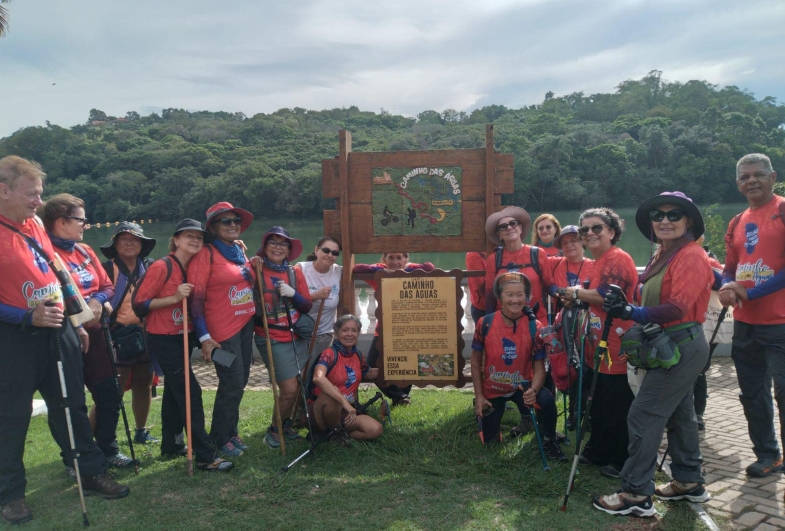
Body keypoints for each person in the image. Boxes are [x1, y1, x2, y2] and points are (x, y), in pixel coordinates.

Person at [0, 156, 128, 525]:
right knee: (11, 417)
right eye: (31, 194)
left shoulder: (36, 223)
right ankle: (10, 494)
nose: (39, 201)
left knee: (71, 404)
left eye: (40, 193)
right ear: (4, 191)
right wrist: (27, 316)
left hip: (59, 330)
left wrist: (77, 323)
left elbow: (57, 276)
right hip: (14, 340)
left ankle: (89, 472)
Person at [592, 192, 713, 517]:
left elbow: (676, 307)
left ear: (688, 221)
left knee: (643, 414)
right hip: (669, 345)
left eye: (674, 215)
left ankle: (635, 494)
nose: (664, 220)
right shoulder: (666, 253)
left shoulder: (689, 255)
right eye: (658, 215)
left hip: (680, 346)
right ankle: (688, 481)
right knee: (680, 414)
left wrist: (630, 311)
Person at [42, 194, 139, 471]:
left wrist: (97, 301)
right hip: (63, 336)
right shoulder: (44, 253)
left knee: (109, 392)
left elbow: (108, 285)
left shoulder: (84, 251)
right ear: (61, 221)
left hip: (98, 333)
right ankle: (74, 458)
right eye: (81, 220)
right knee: (70, 401)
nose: (86, 225)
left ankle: (108, 449)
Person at [132, 219, 233, 471]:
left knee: (175, 392)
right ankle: (204, 456)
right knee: (191, 393)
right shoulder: (161, 266)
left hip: (185, 337)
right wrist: (174, 297)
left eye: (199, 237)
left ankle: (171, 444)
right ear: (176, 240)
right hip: (164, 339)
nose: (195, 241)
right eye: (189, 236)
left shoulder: (194, 267)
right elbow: (139, 305)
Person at [719, 153, 785, 478]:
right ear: (738, 184)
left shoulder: (783, 210)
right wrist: (725, 285)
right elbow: (728, 268)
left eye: (758, 174)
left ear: (773, 177)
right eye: (745, 177)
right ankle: (768, 455)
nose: (752, 181)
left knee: (783, 393)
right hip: (745, 325)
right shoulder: (737, 222)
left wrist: (750, 292)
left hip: (781, 324)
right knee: (751, 394)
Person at [560, 208, 637, 479]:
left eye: (597, 228)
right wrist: (579, 298)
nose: (590, 233)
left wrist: (574, 292)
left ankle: (620, 457)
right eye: (585, 230)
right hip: (597, 342)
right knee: (600, 399)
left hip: (617, 342)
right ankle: (599, 448)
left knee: (616, 402)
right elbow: (592, 297)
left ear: (612, 232)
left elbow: (607, 297)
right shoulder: (599, 260)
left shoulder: (616, 258)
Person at [471, 272, 567, 462]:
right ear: (500, 298)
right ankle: (487, 417)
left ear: (527, 297)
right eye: (509, 295)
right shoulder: (485, 323)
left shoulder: (535, 326)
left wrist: (534, 389)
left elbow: (540, 368)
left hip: (521, 387)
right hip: (493, 390)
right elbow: (475, 363)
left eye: (520, 295)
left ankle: (548, 439)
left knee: (546, 400)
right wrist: (479, 396)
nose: (515, 300)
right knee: (489, 443)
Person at [189, 202, 256, 457]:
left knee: (241, 381)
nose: (232, 225)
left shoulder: (238, 251)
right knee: (232, 381)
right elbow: (195, 299)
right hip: (220, 335)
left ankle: (231, 432)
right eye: (225, 221)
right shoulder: (206, 254)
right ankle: (219, 438)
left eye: (235, 220)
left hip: (243, 326)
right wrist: (205, 337)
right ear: (213, 227)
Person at [99, 222, 159, 445]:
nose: (129, 243)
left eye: (134, 239)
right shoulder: (105, 268)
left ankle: (141, 431)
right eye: (123, 239)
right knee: (114, 389)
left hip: (144, 334)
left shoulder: (151, 266)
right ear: (115, 244)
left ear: (142, 244)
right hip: (116, 335)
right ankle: (101, 438)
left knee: (144, 383)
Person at [254, 226, 313, 448]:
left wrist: (293, 293)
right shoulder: (255, 269)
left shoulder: (294, 272)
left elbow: (306, 304)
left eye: (283, 243)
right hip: (271, 337)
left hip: (296, 335)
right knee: (288, 390)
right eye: (273, 243)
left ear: (289, 249)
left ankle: (285, 425)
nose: (278, 247)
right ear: (265, 247)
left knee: (297, 387)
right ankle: (273, 431)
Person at [353, 253, 435, 406]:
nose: (396, 262)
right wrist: (385, 273)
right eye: (391, 258)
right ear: (384, 260)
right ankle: (399, 396)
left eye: (399, 258)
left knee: (409, 366)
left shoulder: (411, 270)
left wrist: (404, 272)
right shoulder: (378, 272)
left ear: (406, 260)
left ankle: (401, 398)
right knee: (371, 366)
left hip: (409, 330)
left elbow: (429, 267)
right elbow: (357, 268)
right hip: (383, 331)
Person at [547, 225, 595, 430]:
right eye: (564, 243)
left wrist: (576, 296)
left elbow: (598, 291)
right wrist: (561, 292)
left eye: (574, 240)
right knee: (570, 365)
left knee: (587, 365)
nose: (569, 245)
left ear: (583, 242)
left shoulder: (594, 265)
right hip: (564, 321)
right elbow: (545, 282)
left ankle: (585, 412)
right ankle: (574, 412)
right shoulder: (555, 264)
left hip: (588, 321)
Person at [311, 315, 383, 442]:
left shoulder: (357, 355)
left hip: (348, 411)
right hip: (323, 411)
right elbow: (318, 378)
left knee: (375, 430)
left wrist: (395, 370)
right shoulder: (329, 354)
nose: (350, 334)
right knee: (332, 394)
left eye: (354, 330)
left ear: (358, 333)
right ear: (337, 333)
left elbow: (369, 373)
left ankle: (341, 435)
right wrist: (344, 402)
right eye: (345, 330)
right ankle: (331, 432)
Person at [484, 206, 553, 323]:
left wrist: (567, 293)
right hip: (504, 321)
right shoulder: (494, 259)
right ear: (499, 234)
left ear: (520, 228)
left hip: (536, 319)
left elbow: (549, 285)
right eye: (503, 226)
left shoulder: (537, 254)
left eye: (513, 223)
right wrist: (488, 322)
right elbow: (491, 295)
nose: (509, 227)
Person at [297, 236, 342, 362]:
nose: (330, 255)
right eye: (326, 250)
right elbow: (290, 300)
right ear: (317, 250)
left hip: (325, 335)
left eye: (335, 253)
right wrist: (314, 296)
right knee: (299, 373)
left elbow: (361, 269)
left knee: (315, 372)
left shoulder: (338, 272)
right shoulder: (301, 269)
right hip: (300, 333)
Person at [465, 251, 487, 326]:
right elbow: (481, 287)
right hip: (483, 308)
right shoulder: (473, 255)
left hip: (501, 305)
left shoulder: (499, 251)